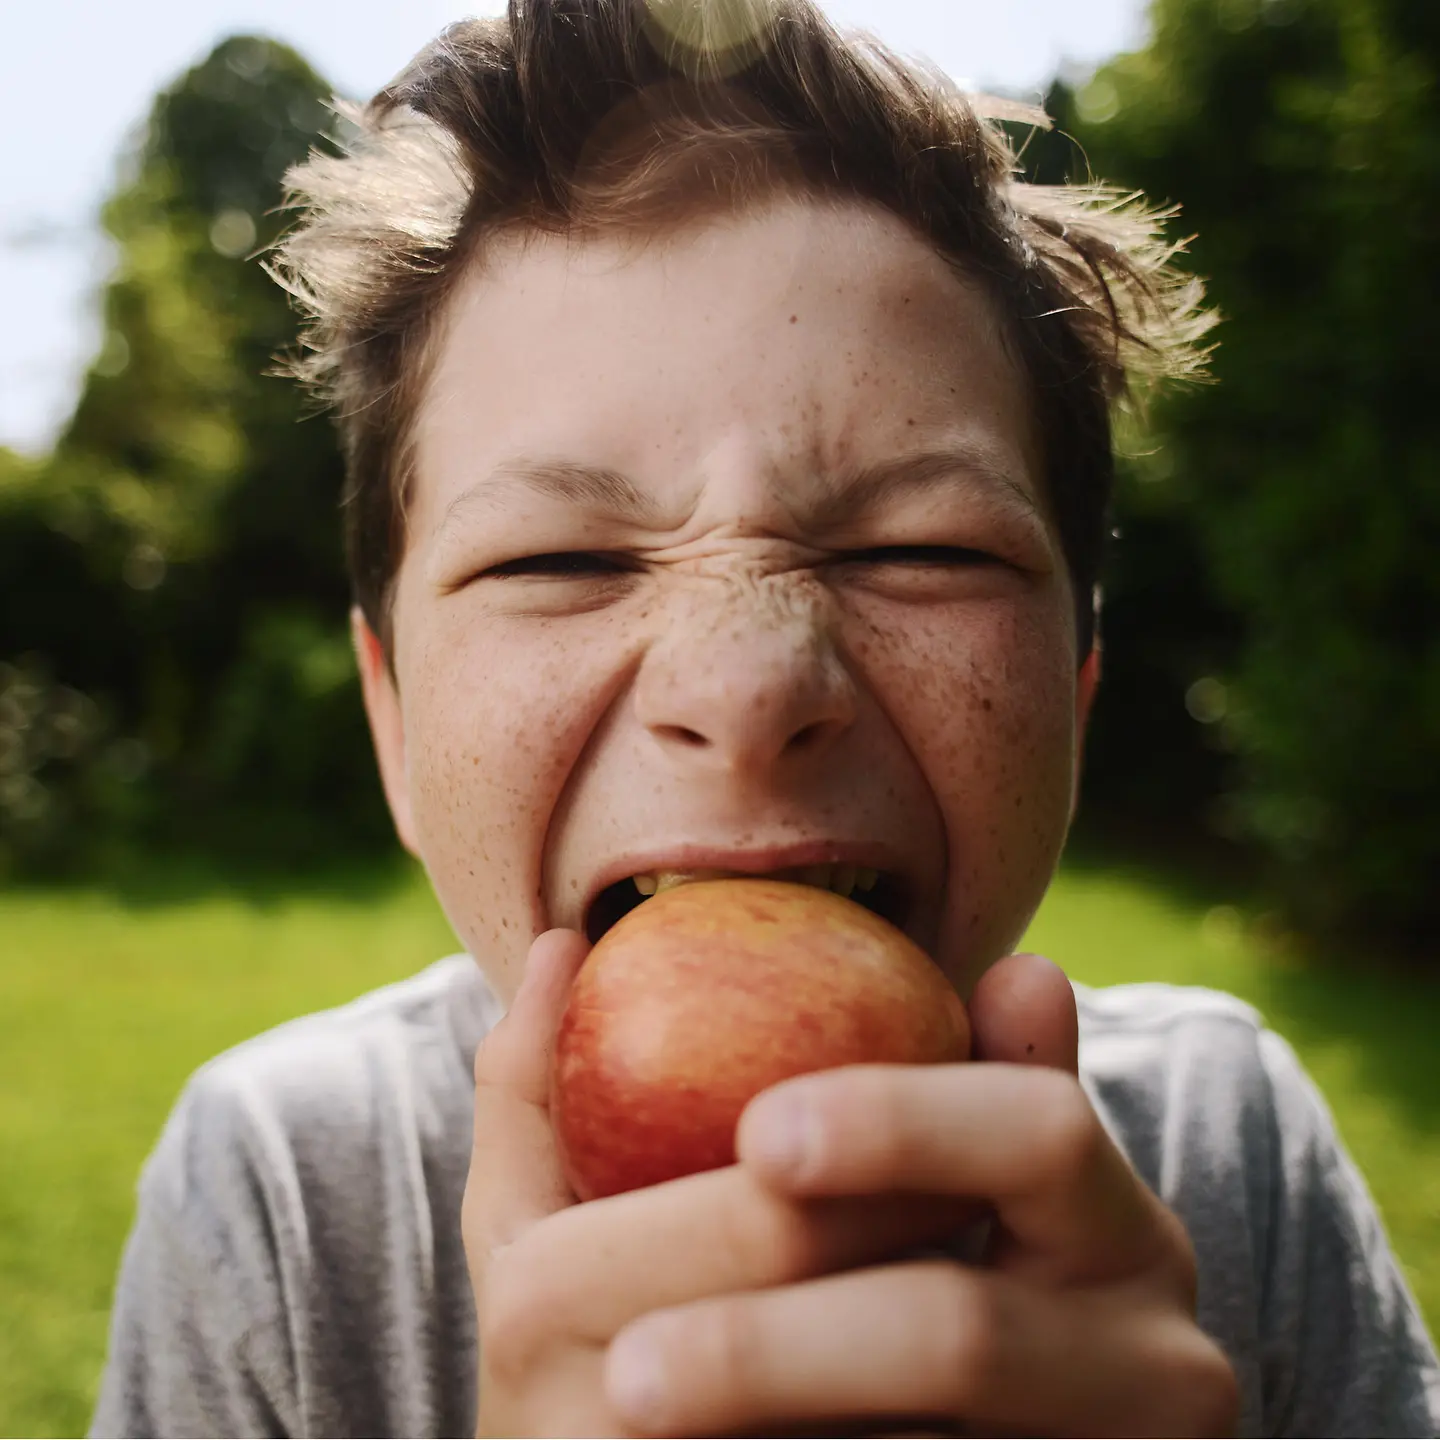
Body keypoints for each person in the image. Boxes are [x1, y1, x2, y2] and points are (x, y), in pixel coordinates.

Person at [90, 1, 1440, 1435]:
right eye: (562, 561)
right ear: (397, 728)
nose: (747, 685)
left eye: (923, 553)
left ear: (1076, 698)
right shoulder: (284, 1195)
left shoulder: (1231, 1152)